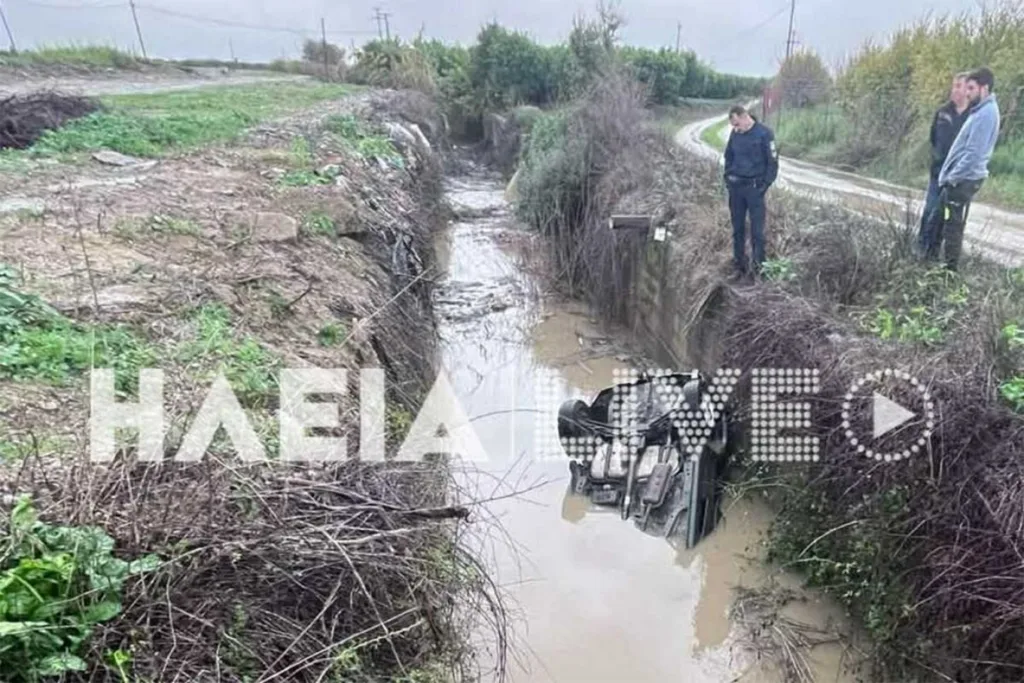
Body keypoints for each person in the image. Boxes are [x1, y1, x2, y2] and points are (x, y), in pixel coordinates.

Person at [933, 67, 1001, 271]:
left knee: (953, 227)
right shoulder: (981, 111)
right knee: (948, 223)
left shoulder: (986, 114)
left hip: (963, 180)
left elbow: (973, 154)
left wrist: (953, 177)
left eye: (971, 88)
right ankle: (944, 267)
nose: (967, 93)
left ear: (984, 88)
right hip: (961, 178)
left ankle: (948, 272)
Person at [723, 104, 779, 282]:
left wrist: (765, 185)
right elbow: (728, 156)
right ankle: (739, 266)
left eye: (737, 124)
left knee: (757, 232)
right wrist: (728, 178)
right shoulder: (735, 134)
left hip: (755, 189)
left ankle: (759, 269)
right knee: (737, 229)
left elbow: (773, 162)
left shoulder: (764, 134)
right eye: (734, 126)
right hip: (736, 189)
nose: (736, 128)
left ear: (745, 116)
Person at [918, 73, 970, 257]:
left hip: (958, 178)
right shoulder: (942, 113)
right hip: (938, 173)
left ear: (968, 90)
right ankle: (923, 252)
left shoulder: (972, 116)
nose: (955, 90)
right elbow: (933, 138)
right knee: (930, 212)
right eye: (953, 85)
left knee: (949, 218)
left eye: (959, 86)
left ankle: (944, 258)